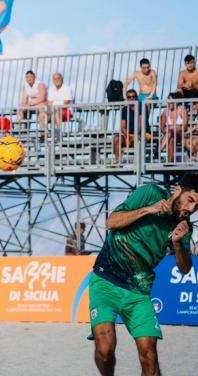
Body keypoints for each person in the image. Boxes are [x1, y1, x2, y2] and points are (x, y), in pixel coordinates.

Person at [89, 173, 198, 376]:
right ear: (178, 191)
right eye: (190, 200)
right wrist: (150, 209)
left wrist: (177, 244)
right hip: (105, 282)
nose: (191, 209)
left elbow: (185, 269)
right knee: (105, 351)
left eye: (197, 206)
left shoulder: (184, 227)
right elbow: (111, 222)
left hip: (139, 292)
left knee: (149, 356)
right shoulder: (150, 193)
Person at [113, 89, 151, 164]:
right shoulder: (124, 109)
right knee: (116, 138)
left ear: (136, 97)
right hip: (129, 134)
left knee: (139, 138)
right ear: (127, 98)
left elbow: (141, 123)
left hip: (142, 133)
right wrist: (127, 136)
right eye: (129, 97)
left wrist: (137, 134)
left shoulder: (142, 107)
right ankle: (117, 161)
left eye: (133, 96)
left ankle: (138, 162)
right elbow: (123, 126)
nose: (131, 98)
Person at [159, 93, 188, 163]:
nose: (169, 103)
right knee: (171, 139)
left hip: (181, 135)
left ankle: (159, 150)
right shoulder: (165, 112)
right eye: (168, 101)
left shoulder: (182, 110)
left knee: (171, 131)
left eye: (171, 101)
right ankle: (169, 163)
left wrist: (173, 128)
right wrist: (172, 129)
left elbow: (185, 127)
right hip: (170, 135)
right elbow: (162, 128)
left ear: (177, 101)